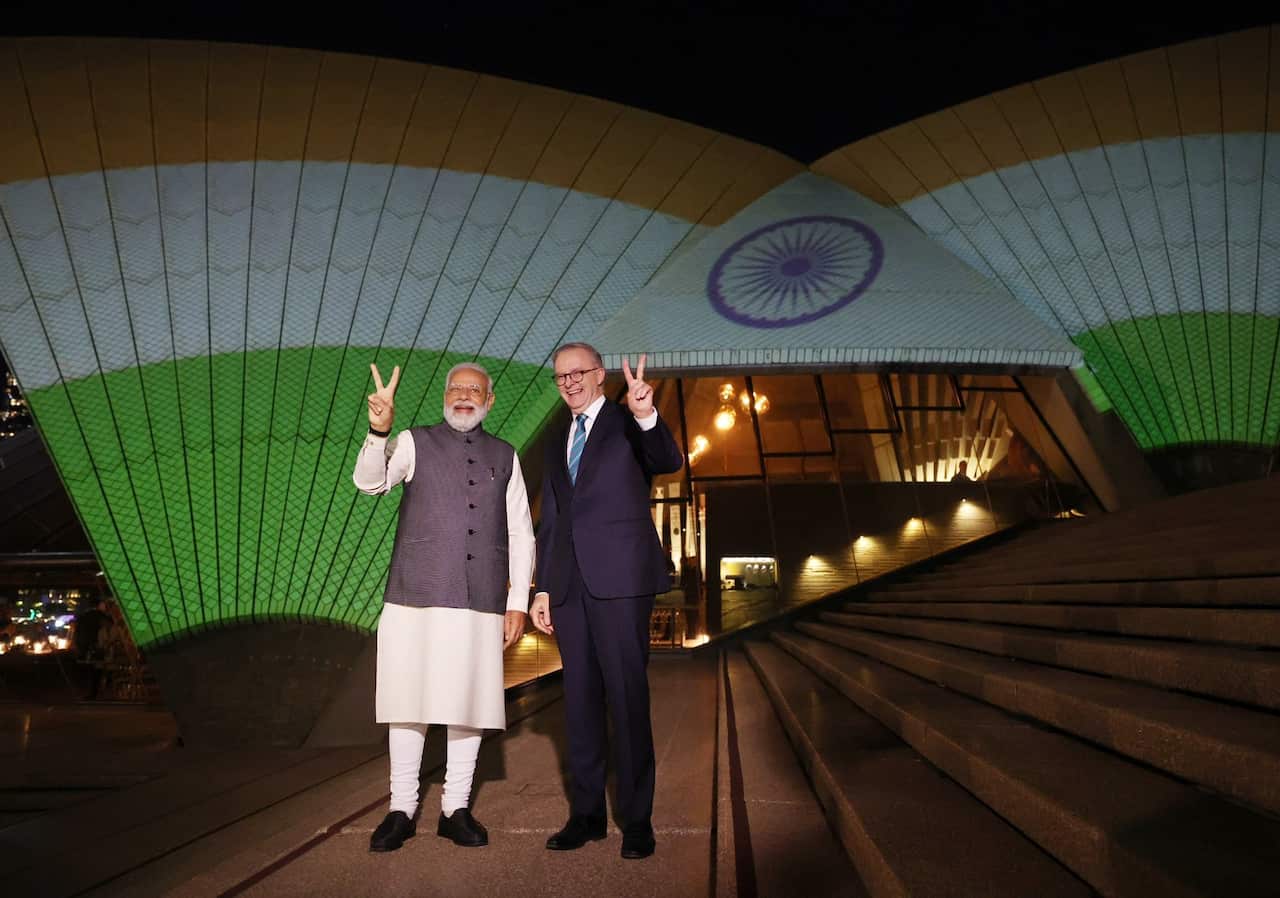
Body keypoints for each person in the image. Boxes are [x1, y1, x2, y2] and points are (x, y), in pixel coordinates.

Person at [353, 361, 535, 852]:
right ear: (443, 396)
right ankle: (402, 809)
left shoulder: (506, 455)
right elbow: (369, 483)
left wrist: (517, 601)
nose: (463, 395)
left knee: (467, 704)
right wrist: (379, 430)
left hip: (480, 600)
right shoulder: (413, 441)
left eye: (474, 389)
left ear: (490, 401)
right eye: (456, 387)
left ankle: (455, 808)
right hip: (414, 595)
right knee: (407, 704)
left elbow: (520, 531)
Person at [529, 342, 684, 860]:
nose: (569, 382)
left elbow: (667, 459)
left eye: (578, 373)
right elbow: (551, 517)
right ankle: (587, 815)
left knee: (627, 698)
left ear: (599, 375)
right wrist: (543, 587)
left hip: (621, 582)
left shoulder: (626, 420)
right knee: (579, 704)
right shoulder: (557, 434)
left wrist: (646, 414)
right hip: (570, 588)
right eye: (560, 376)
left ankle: (637, 820)